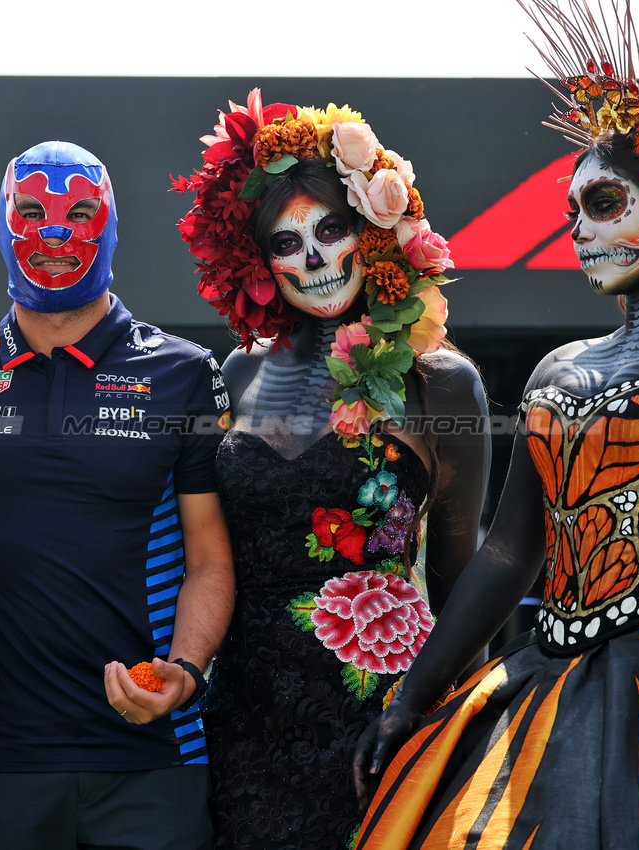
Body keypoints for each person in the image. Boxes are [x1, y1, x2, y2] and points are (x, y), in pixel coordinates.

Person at [352, 2, 639, 846]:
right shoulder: (557, 371)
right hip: (552, 684)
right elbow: (507, 550)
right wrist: (413, 696)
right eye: (572, 211)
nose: (580, 230)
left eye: (605, 202)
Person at [171, 91, 490, 848]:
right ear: (253, 261)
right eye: (284, 243)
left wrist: (462, 730)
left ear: (372, 230)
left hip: (385, 725)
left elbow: (458, 574)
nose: (311, 258)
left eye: (330, 228)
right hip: (243, 727)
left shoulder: (438, 381)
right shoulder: (239, 373)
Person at [0, 140, 235, 850]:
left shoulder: (185, 372)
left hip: (153, 763)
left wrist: (184, 673)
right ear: (2, 228)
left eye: (79, 213)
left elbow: (209, 558)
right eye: (30, 212)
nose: (54, 234)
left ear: (111, 226)